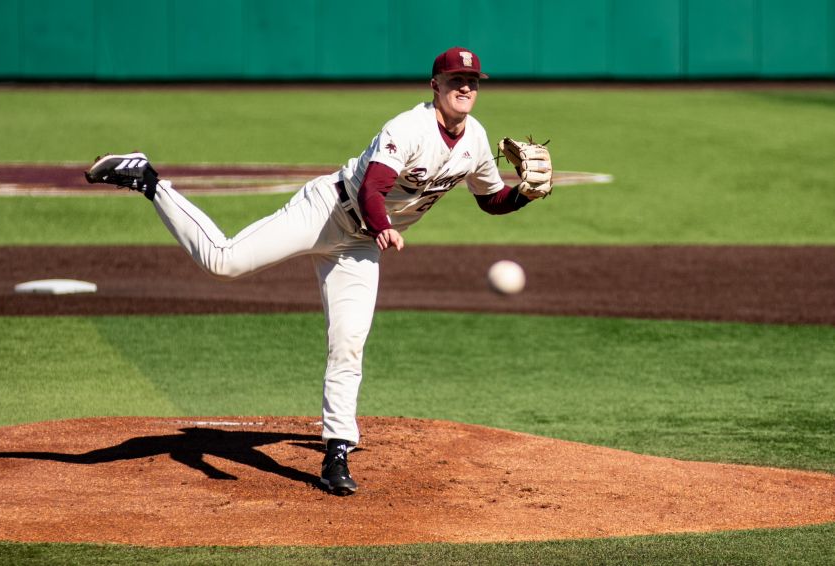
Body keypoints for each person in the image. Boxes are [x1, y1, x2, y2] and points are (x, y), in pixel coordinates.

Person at [85, 46, 552, 496]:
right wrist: (385, 226)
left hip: (360, 246)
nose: (465, 88)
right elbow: (374, 187)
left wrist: (524, 195)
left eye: (472, 81)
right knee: (223, 262)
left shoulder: (474, 140)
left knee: (348, 342)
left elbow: (490, 199)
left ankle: (336, 453)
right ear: (436, 85)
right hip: (326, 210)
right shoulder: (408, 128)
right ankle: (148, 180)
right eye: (456, 80)